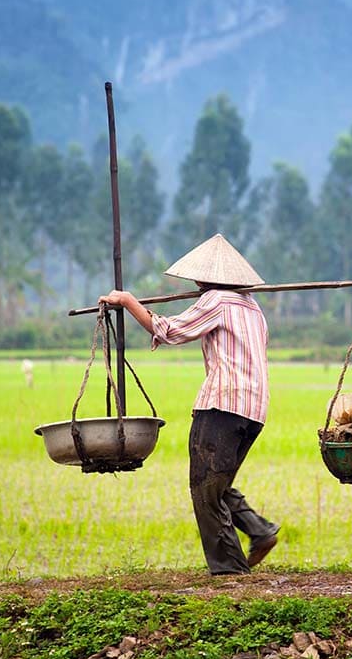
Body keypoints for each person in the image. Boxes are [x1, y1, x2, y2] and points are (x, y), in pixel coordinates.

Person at [98, 233, 280, 575]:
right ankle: (258, 530)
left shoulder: (216, 301)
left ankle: (229, 571)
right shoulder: (252, 307)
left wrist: (127, 301)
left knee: (204, 487)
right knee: (217, 483)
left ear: (206, 277)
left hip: (223, 405)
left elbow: (168, 330)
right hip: (254, 410)